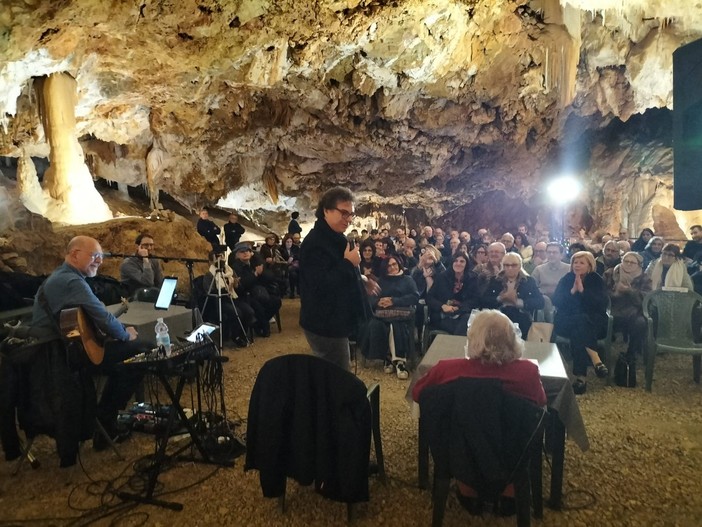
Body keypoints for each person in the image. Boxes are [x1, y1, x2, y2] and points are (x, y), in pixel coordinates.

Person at [411, 309, 546, 514]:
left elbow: (419, 394)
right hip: (510, 460)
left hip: (459, 460)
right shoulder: (528, 372)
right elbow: (540, 404)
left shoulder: (446, 369)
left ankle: (469, 489)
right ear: (512, 339)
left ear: (472, 339)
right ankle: (507, 494)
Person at [30, 236, 149, 451]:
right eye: (95, 256)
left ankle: (105, 420)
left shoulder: (59, 276)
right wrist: (125, 334)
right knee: (142, 349)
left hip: (53, 356)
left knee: (123, 363)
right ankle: (104, 420)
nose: (99, 261)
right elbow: (103, 317)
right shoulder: (71, 281)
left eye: (101, 257)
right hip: (60, 361)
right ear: (75, 254)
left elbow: (85, 318)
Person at [299, 186, 379, 370]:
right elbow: (319, 286)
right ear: (326, 210)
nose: (349, 219)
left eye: (351, 214)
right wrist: (348, 264)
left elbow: (335, 271)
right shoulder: (315, 243)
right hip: (324, 323)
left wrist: (361, 280)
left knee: (333, 374)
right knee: (337, 376)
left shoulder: (335, 238)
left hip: (334, 319)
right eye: (344, 213)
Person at [552, 251, 610, 394]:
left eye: (581, 263)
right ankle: (596, 359)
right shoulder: (567, 278)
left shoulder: (596, 280)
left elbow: (601, 304)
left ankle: (580, 378)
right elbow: (556, 301)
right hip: (566, 321)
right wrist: (572, 291)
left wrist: (583, 291)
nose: (577, 265)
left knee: (580, 329)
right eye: (575, 262)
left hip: (594, 323)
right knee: (580, 322)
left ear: (590, 265)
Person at [360, 256, 419, 379]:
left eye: (394, 264)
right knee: (380, 325)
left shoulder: (408, 280)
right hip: (383, 315)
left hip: (402, 315)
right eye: (389, 266)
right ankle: (394, 360)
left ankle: (395, 361)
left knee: (395, 324)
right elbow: (372, 298)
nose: (392, 267)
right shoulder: (381, 281)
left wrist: (394, 301)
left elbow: (414, 297)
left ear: (399, 265)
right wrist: (379, 302)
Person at [481, 252, 544, 337]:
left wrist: (518, 302)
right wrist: (500, 298)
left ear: (519, 266)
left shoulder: (528, 281)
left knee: (520, 321)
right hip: (499, 314)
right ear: (503, 266)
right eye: (507, 265)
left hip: (521, 315)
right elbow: (483, 300)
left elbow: (540, 302)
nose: (510, 268)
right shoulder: (495, 280)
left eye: (514, 265)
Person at [202, 249, 256, 346]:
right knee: (237, 313)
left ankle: (242, 334)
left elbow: (240, 289)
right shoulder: (209, 275)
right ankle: (235, 336)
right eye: (217, 258)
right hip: (220, 301)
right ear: (211, 261)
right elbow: (210, 292)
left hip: (233, 297)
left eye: (222, 258)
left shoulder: (230, 271)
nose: (220, 261)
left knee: (249, 311)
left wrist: (236, 285)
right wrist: (226, 288)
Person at [604, 252, 651, 360]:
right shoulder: (610, 273)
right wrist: (615, 293)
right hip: (612, 309)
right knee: (601, 319)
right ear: (622, 261)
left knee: (640, 323)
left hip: (633, 311)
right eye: (626, 261)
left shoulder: (644, 277)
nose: (629, 264)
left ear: (638, 265)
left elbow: (646, 297)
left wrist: (630, 291)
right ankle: (602, 352)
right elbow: (602, 293)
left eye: (632, 262)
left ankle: (631, 353)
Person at [230, 241, 282, 338]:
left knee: (276, 301)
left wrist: (261, 272)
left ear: (251, 252)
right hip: (246, 295)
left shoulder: (255, 261)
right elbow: (243, 285)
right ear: (237, 255)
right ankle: (263, 327)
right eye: (242, 252)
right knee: (257, 304)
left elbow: (269, 276)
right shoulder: (235, 267)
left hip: (260, 292)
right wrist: (255, 274)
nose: (245, 253)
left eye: (247, 251)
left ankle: (259, 323)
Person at [426, 253, 480, 335]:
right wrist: (442, 306)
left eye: (462, 261)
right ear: (452, 263)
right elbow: (429, 298)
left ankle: (453, 345)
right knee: (464, 330)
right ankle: (458, 345)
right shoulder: (442, 277)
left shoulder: (473, 278)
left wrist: (458, 308)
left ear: (466, 264)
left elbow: (475, 300)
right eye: (455, 261)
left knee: (466, 320)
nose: (458, 263)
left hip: (462, 314)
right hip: (443, 315)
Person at [119, 232, 163, 297]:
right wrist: (145, 259)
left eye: (151, 245)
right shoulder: (127, 263)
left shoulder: (154, 260)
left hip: (151, 296)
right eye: (146, 245)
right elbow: (148, 282)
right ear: (137, 247)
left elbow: (159, 282)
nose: (149, 248)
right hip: (134, 298)